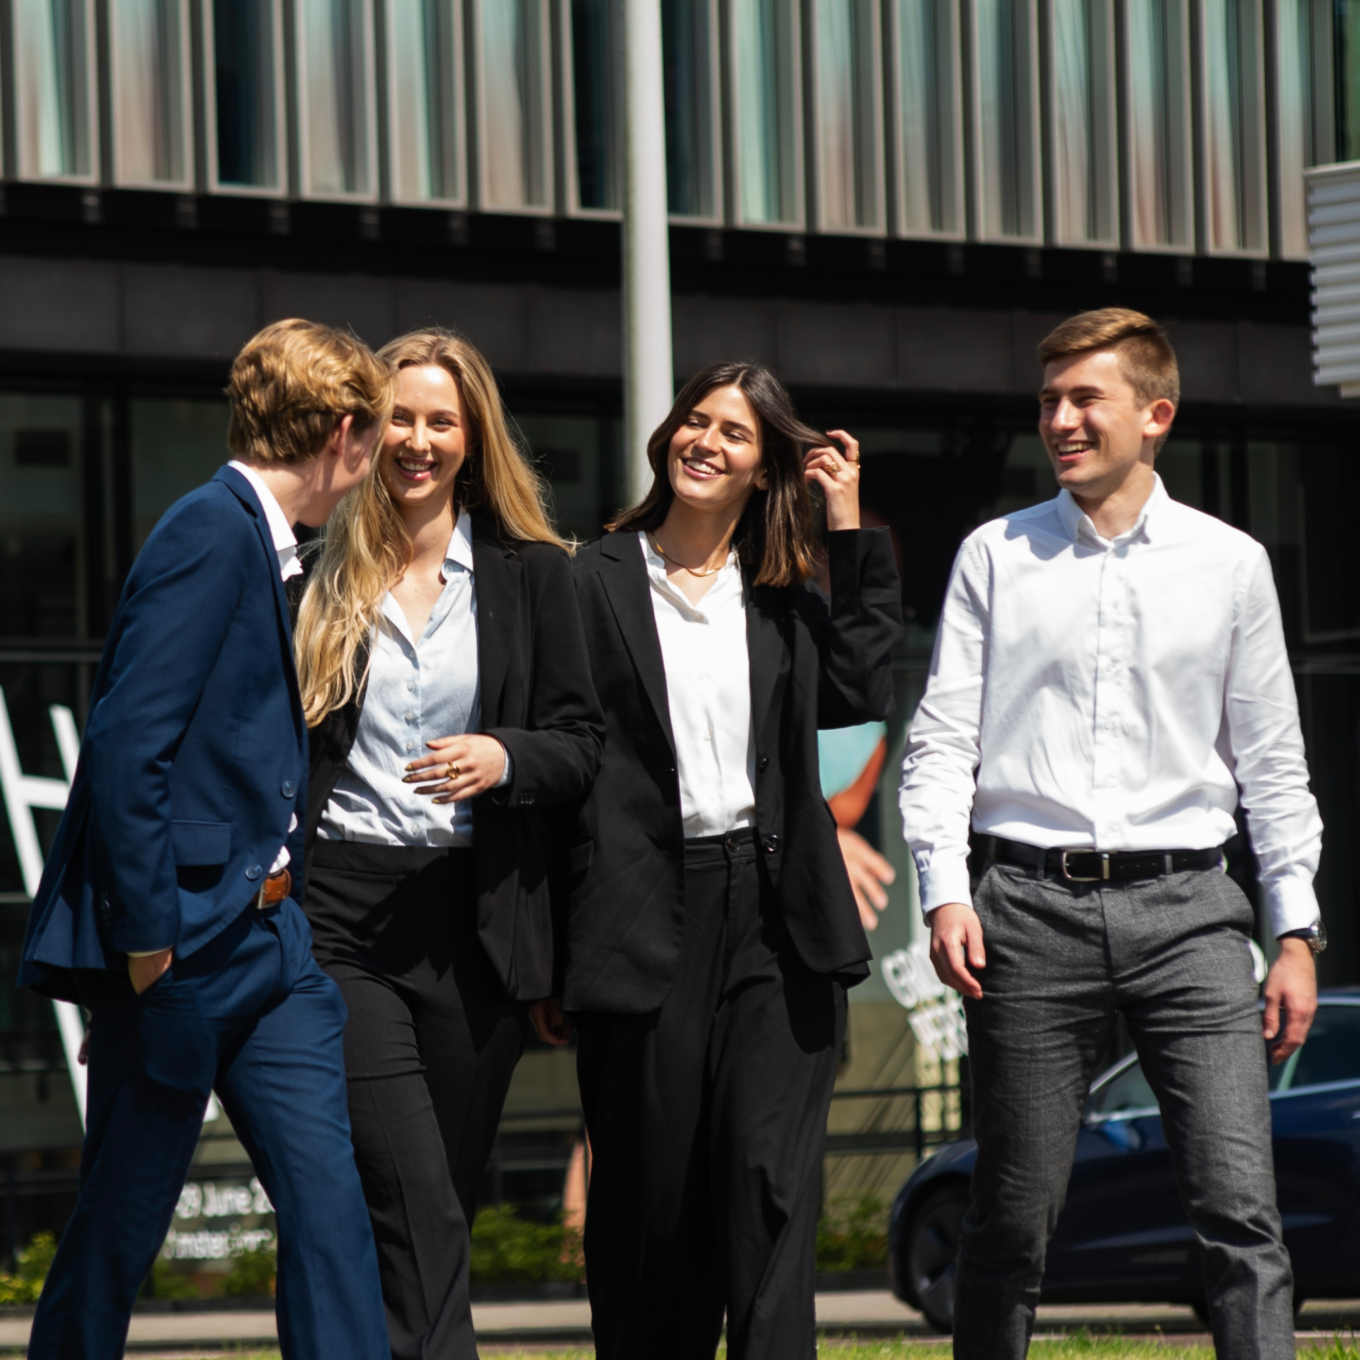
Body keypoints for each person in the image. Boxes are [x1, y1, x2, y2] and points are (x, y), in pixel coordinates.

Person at [899, 308, 1324, 1360]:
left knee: (1238, 1208)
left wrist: (1296, 930)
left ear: (1155, 415)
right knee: (1012, 1215)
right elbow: (941, 739)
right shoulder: (994, 555)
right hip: (1025, 913)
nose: (1060, 419)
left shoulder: (1230, 564)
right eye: (1048, 400)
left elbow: (1272, 762)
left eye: (1084, 398)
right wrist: (944, 890)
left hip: (1190, 914)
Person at [18, 318, 394, 1360]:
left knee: (328, 1207)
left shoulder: (259, 540)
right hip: (184, 953)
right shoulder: (208, 530)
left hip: (275, 951)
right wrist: (143, 948)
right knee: (121, 1223)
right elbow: (128, 745)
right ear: (346, 434)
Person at [542, 361, 902, 1360]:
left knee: (768, 1184)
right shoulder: (590, 578)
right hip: (640, 913)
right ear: (668, 439)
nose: (705, 441)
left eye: (733, 433)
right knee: (653, 1199)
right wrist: (546, 954)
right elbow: (563, 764)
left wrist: (847, 525)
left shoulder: (781, 596)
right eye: (694, 421)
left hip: (775, 915)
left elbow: (862, 685)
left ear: (762, 467)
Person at [291, 327, 603, 1360]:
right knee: (412, 1194)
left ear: (473, 438)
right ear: (366, 430)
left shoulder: (532, 576)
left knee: (438, 1203)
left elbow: (581, 746)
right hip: (343, 913)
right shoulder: (318, 567)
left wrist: (504, 755)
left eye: (439, 420)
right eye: (398, 418)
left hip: (478, 921)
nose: (416, 440)